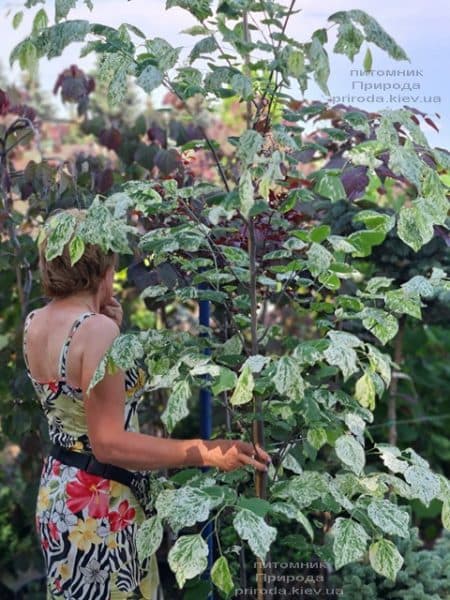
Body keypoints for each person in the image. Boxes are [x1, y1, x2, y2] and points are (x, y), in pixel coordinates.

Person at [22, 208, 271, 599]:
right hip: (103, 503)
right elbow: (109, 442)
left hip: (61, 492)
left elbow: (76, 405)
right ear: (103, 261)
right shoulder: (95, 330)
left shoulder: (36, 321)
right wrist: (206, 452)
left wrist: (113, 331)